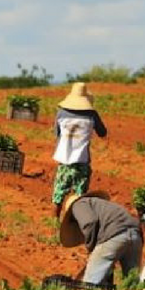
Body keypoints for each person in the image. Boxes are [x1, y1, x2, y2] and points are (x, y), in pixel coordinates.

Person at [59, 191, 142, 287]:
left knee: (90, 285)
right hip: (136, 236)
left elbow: (90, 222)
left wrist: (91, 247)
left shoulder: (78, 205)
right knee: (132, 283)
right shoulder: (101, 205)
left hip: (114, 236)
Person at [51, 82, 107, 215]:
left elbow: (57, 134)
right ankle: (76, 225)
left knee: (58, 196)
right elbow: (102, 132)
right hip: (82, 161)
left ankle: (54, 222)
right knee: (80, 196)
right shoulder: (92, 115)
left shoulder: (61, 113)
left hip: (64, 161)